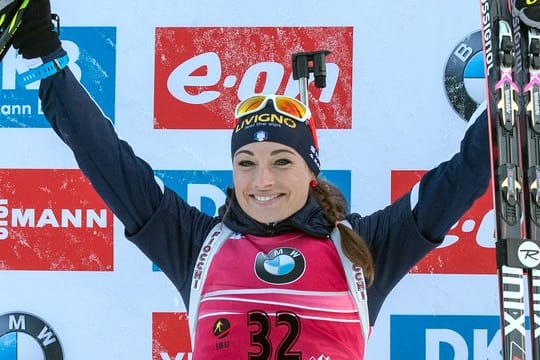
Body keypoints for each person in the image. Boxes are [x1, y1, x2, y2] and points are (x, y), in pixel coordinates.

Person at [7, 0, 491, 358]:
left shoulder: (360, 247)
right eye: (247, 162)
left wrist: (515, 89)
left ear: (311, 170)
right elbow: (105, 158)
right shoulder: (199, 245)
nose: (263, 179)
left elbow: (460, 179)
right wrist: (46, 57)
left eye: (282, 161)